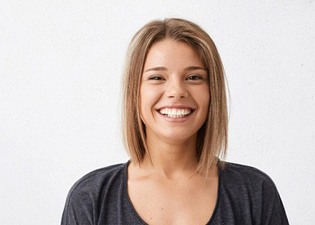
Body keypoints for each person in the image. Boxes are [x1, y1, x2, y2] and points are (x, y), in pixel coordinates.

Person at [61, 18, 289, 225]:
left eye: (193, 77)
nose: (177, 91)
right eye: (157, 77)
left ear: (212, 92)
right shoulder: (91, 198)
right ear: (135, 93)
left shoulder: (255, 193)